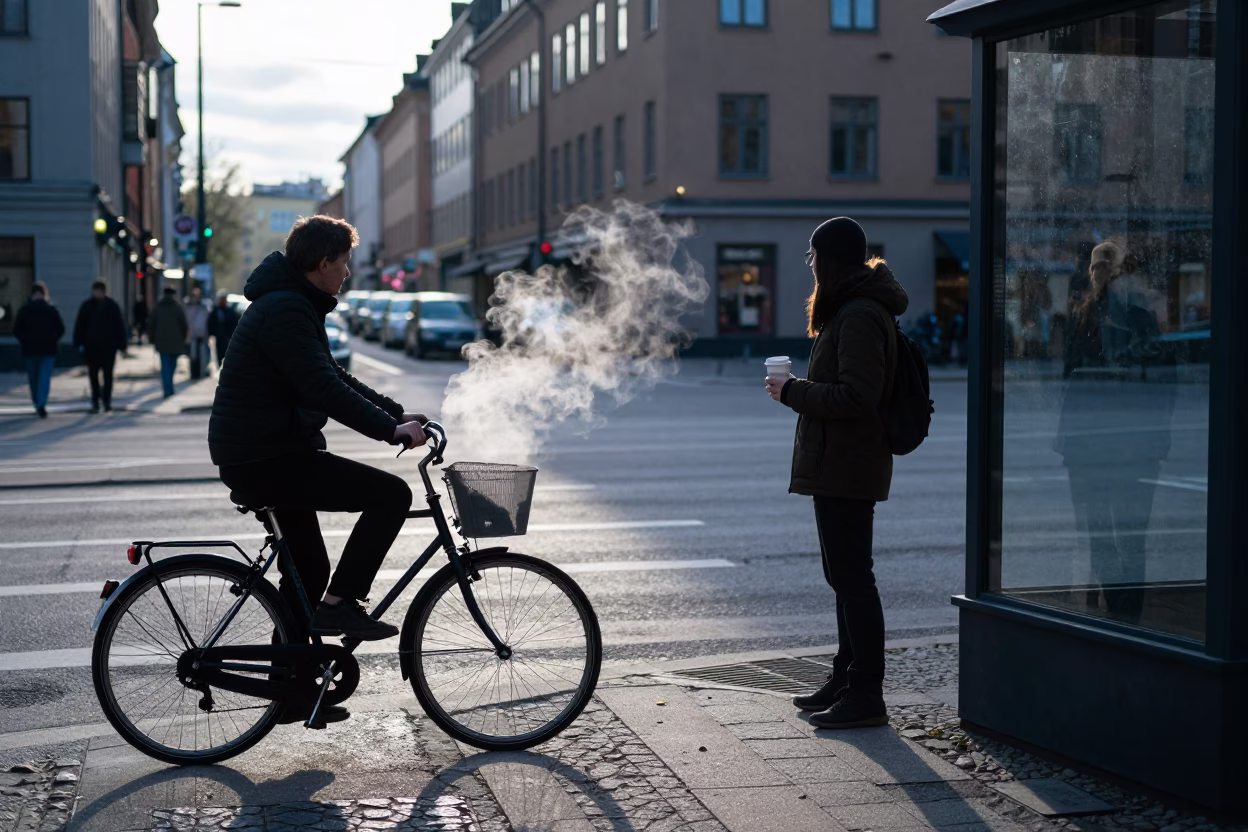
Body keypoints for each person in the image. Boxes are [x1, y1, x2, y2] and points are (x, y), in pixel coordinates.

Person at [209, 214, 426, 660]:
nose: (348, 272)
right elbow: (322, 389)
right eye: (344, 262)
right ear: (324, 262)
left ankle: (290, 686)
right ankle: (341, 604)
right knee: (390, 495)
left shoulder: (293, 302)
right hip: (267, 457)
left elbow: (331, 375)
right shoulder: (287, 308)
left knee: (309, 572)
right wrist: (390, 431)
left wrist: (396, 412)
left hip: (268, 453)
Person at [764, 216, 909, 730]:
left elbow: (858, 395)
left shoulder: (860, 315)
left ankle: (867, 693)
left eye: (812, 255)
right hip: (839, 464)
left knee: (853, 579)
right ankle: (846, 677)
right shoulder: (849, 311)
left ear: (830, 258)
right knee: (843, 577)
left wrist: (793, 392)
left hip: (850, 464)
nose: (810, 264)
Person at [1057, 238, 1174, 626]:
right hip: (1093, 442)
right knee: (1101, 536)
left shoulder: (1136, 317)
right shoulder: (1085, 315)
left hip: (1126, 443)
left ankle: (1125, 618)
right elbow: (1071, 379)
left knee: (1128, 537)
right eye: (1095, 266)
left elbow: (1160, 382)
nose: (1100, 273)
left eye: (1107, 265)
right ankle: (1117, 617)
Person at [73, 279, 128, 413]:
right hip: (91, 347)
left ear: (104, 292)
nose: (97, 294)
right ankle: (95, 400)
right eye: (96, 292)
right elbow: (80, 325)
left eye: (99, 292)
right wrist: (78, 342)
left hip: (109, 347)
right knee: (93, 375)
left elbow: (119, 326)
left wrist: (122, 345)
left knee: (108, 375)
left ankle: (106, 400)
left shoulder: (112, 306)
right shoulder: (87, 306)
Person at [13, 282, 65, 418]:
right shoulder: (51, 310)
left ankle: (38, 402)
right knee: (43, 377)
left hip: (30, 349)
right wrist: (53, 339)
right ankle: (41, 403)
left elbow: (17, 329)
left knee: (34, 378)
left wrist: (24, 340)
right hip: (47, 348)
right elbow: (60, 329)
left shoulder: (25, 310)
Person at [149, 286, 189, 398]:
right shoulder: (177, 307)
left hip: (161, 341)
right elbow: (184, 324)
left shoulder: (158, 307)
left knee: (165, 365)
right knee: (172, 365)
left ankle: (167, 389)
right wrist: (183, 337)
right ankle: (169, 388)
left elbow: (151, 324)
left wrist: (152, 339)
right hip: (175, 341)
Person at [207, 290, 239, 368]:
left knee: (228, 352)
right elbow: (211, 322)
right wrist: (212, 333)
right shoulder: (216, 310)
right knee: (219, 352)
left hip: (228, 336)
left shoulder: (229, 310)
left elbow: (234, 322)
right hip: (219, 336)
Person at [184, 287, 210, 379]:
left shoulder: (204, 306)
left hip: (201, 334)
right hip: (192, 334)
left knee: (202, 354)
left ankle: (201, 371)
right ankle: (193, 373)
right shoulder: (188, 306)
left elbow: (206, 320)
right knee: (192, 355)